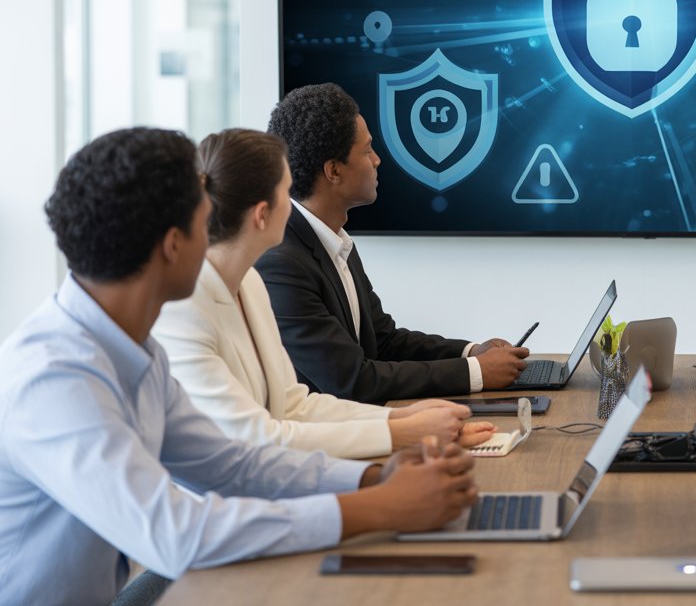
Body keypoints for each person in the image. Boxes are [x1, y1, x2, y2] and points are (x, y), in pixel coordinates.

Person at [0, 127, 477, 606]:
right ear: (173, 244)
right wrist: (379, 507)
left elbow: (232, 464)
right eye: (204, 218)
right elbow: (177, 536)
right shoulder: (54, 378)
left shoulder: (136, 351)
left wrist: (374, 479)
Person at [153, 128, 496, 459]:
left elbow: (294, 405)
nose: (294, 205)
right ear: (262, 216)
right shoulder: (183, 310)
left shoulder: (250, 285)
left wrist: (402, 418)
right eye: (286, 193)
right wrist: (402, 434)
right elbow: (257, 437)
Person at [255, 83, 528, 403]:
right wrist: (476, 372)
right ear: (333, 171)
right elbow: (353, 380)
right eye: (367, 150)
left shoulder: (336, 242)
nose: (377, 160)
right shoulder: (281, 264)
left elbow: (384, 343)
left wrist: (471, 352)